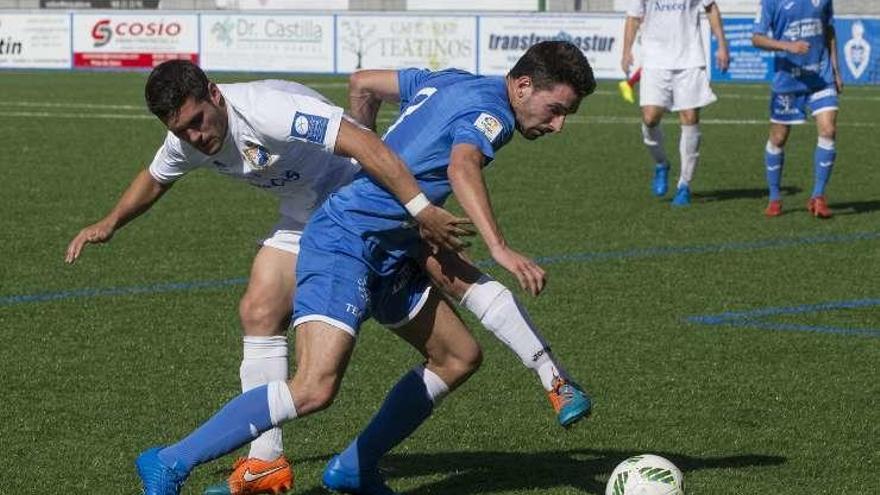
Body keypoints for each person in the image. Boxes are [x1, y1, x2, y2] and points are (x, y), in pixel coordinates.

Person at [67, 60, 590, 495]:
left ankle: (354, 464)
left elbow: (367, 139)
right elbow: (156, 176)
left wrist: (409, 200)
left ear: (214, 93)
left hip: (366, 202)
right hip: (336, 223)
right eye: (183, 131)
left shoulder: (271, 109)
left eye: (199, 122)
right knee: (287, 347)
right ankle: (192, 460)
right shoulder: (186, 134)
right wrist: (108, 223)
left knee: (458, 348)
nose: (196, 137)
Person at [621, 0, 729, 206]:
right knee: (650, 118)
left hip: (689, 58)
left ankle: (684, 185)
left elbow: (711, 7)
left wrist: (722, 45)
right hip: (655, 59)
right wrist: (626, 51)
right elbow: (633, 17)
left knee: (690, 117)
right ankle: (662, 163)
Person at [752, 0, 842, 218]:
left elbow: (828, 30)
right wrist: (787, 46)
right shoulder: (770, 2)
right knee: (778, 138)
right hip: (788, 81)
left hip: (821, 77)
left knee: (828, 130)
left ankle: (818, 197)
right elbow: (756, 38)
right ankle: (774, 197)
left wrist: (836, 70)